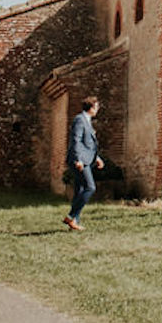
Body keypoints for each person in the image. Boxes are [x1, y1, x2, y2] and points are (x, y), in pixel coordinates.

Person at [64, 95, 103, 232]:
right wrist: (78, 160)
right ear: (91, 108)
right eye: (96, 107)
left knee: (80, 190)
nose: (98, 109)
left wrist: (97, 158)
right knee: (90, 187)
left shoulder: (87, 121)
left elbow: (89, 144)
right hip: (80, 161)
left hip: (87, 159)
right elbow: (76, 141)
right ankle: (71, 216)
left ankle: (74, 222)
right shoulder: (80, 120)